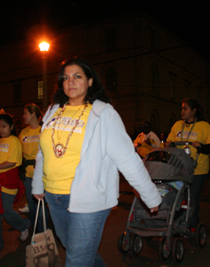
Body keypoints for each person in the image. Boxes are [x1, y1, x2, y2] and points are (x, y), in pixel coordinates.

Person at [32, 57, 161, 266]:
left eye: (77, 76)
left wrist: (150, 196)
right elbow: (42, 152)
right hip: (54, 197)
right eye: (65, 78)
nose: (70, 81)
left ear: (90, 81)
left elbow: (128, 159)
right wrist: (38, 184)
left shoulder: (103, 114)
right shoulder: (53, 110)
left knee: (77, 260)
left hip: (88, 198)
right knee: (78, 251)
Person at [165, 98, 210, 230]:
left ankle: (192, 226)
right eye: (182, 108)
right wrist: (168, 145)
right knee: (178, 197)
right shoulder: (177, 125)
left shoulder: (204, 126)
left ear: (194, 111)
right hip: (179, 169)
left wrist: (200, 147)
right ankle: (180, 222)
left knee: (192, 197)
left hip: (197, 169)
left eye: (185, 108)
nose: (182, 111)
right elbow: (169, 141)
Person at [0, 113, 30, 249]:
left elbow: (11, 162)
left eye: (4, 126)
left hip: (9, 180)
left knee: (6, 211)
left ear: (11, 127)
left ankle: (24, 225)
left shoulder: (14, 141)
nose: (1, 129)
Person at [18, 103, 49, 232]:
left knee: (42, 204)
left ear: (34, 114)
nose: (23, 116)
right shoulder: (23, 132)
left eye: (26, 113)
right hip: (27, 173)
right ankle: (35, 228)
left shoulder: (44, 130)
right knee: (31, 203)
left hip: (41, 172)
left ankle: (44, 231)